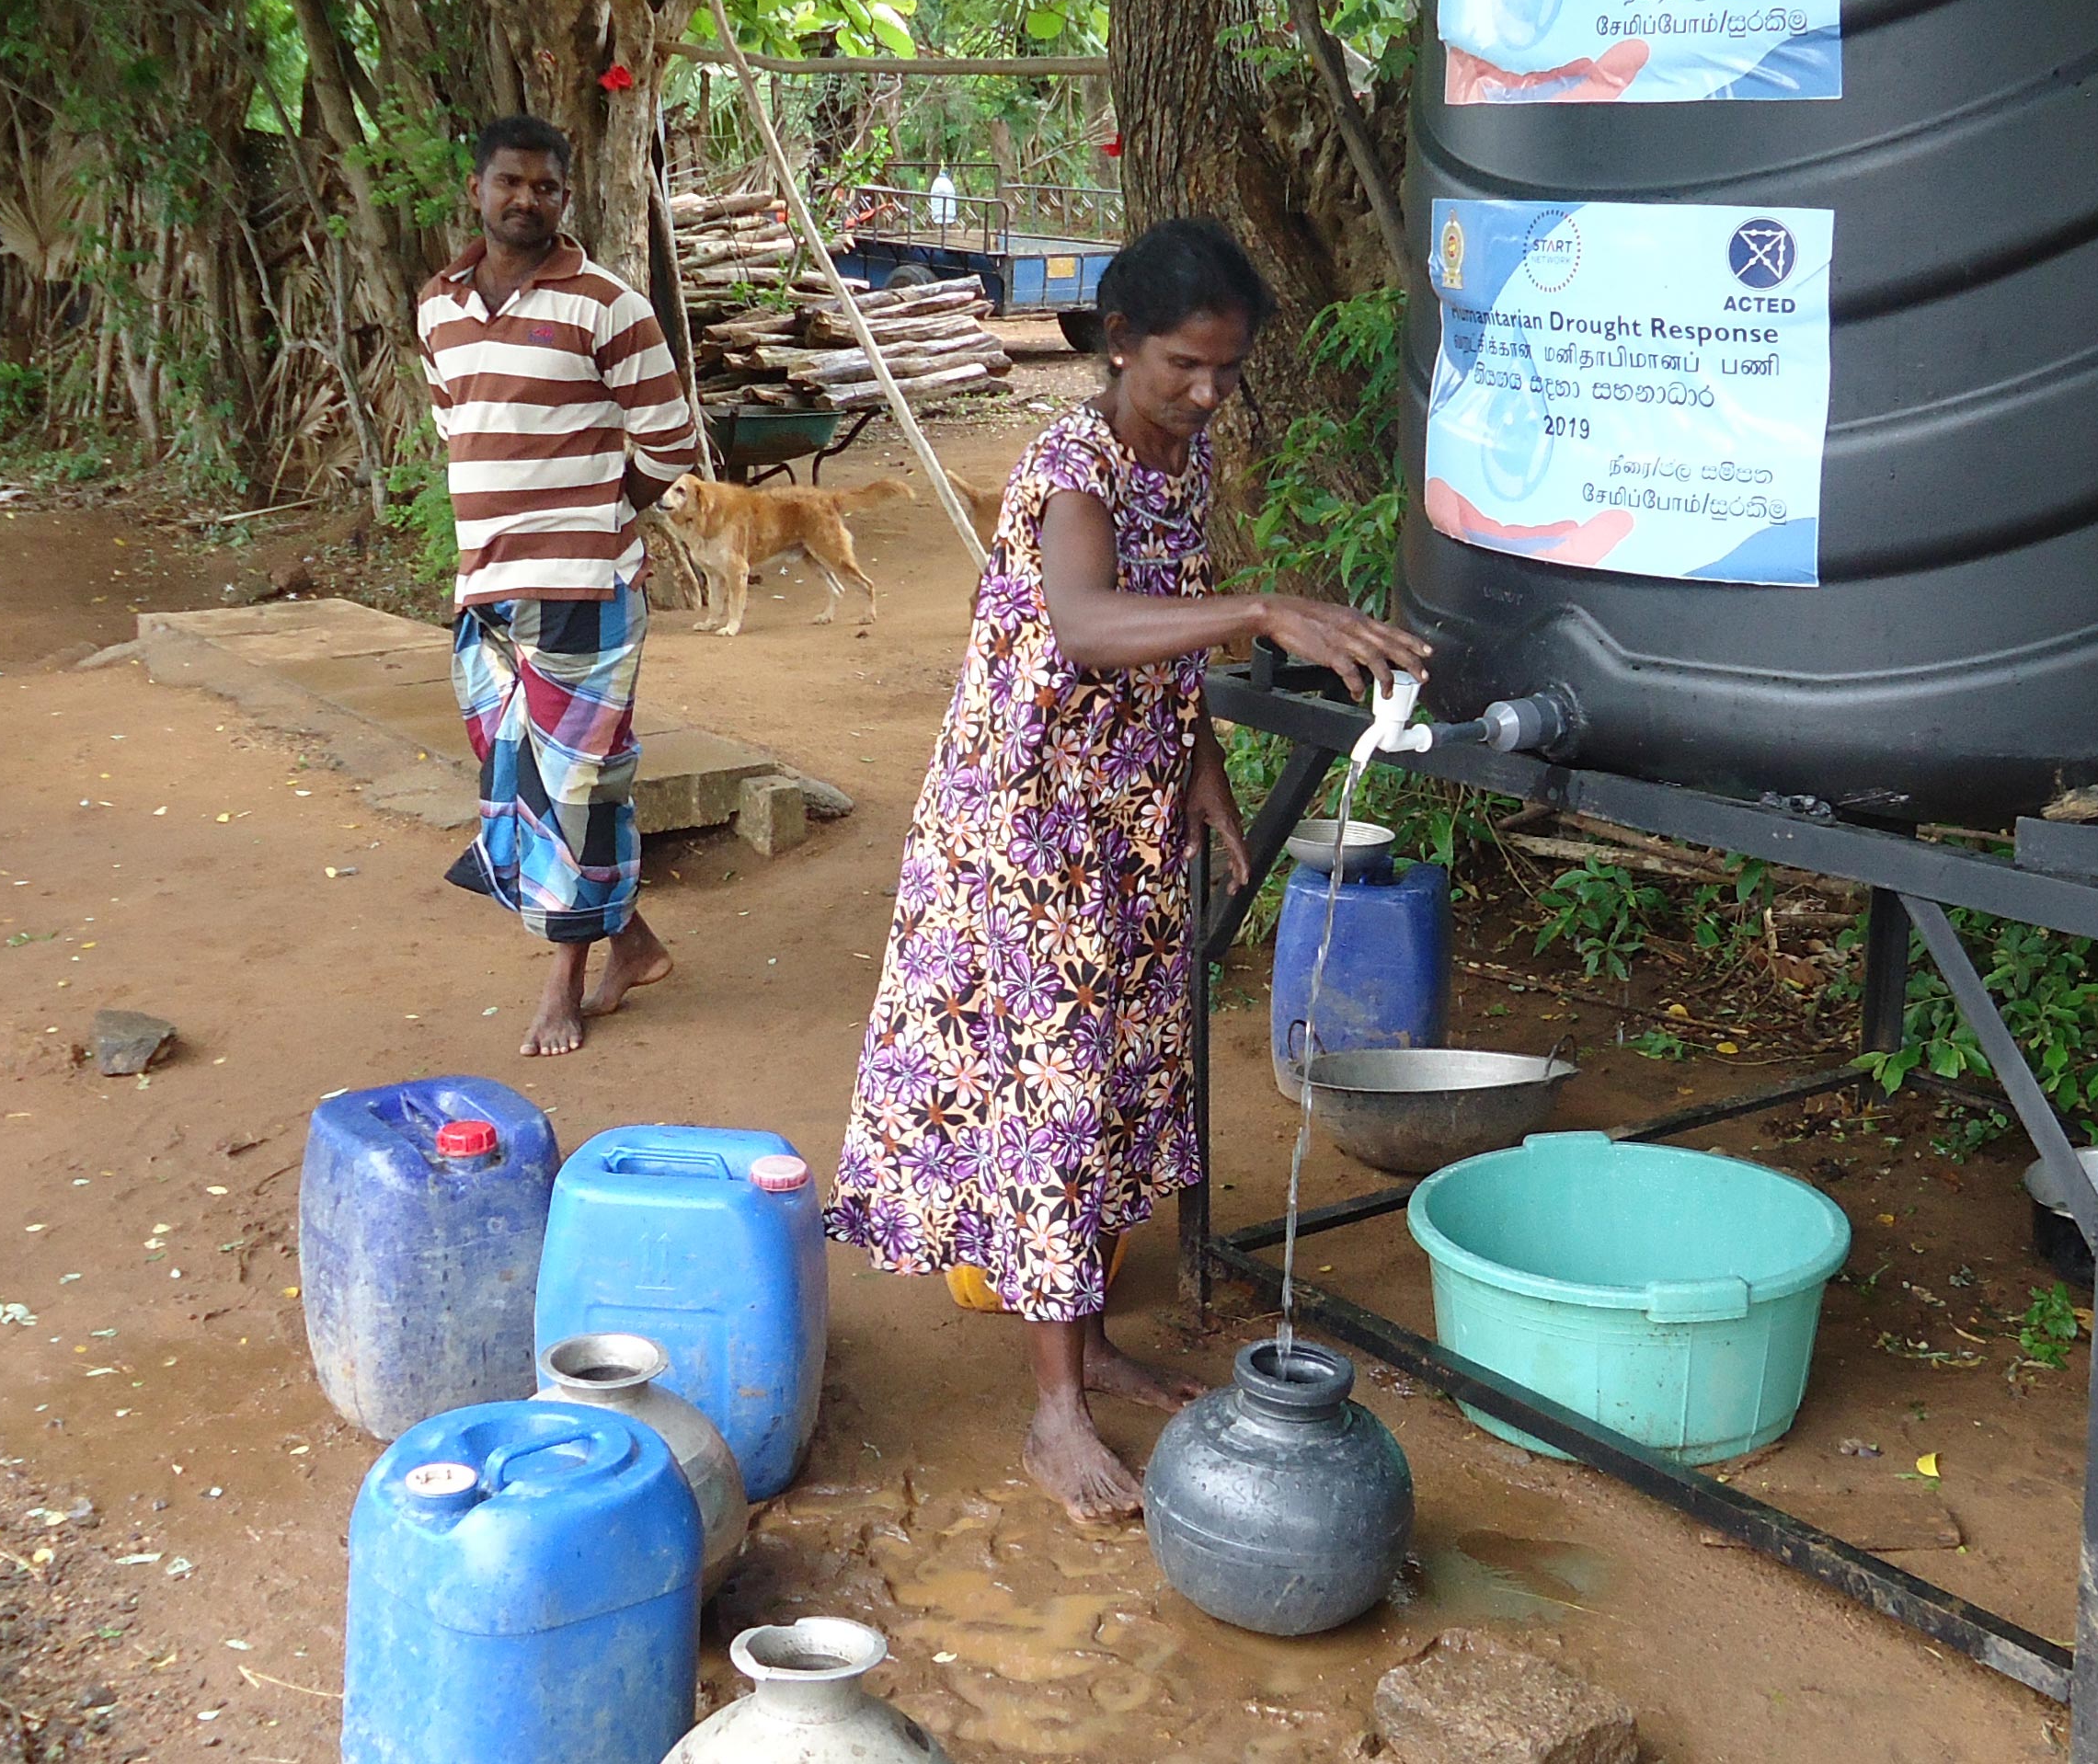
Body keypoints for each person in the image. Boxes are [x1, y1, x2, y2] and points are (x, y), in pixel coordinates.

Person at [824, 217, 1430, 1521]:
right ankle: (1054, 1411)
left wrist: (1198, 754)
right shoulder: (1067, 466)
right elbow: (1092, 623)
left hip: (1125, 817)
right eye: (1181, 369)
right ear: (1114, 345)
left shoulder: (1183, 460)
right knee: (1054, 1092)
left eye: (1224, 371)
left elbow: (1160, 636)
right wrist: (1267, 612)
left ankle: (1089, 1338)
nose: (1207, 395)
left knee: (1116, 1083)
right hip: (1027, 832)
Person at [420, 113, 698, 1057]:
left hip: (585, 585)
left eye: (546, 186)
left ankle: (562, 979)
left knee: (573, 786)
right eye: (510, 182)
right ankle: (634, 943)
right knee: (513, 774)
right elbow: (458, 426)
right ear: (479, 189)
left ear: (565, 199)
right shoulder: (438, 309)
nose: (527, 199)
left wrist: (601, 512)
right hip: (487, 589)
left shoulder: (608, 304)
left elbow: (669, 440)